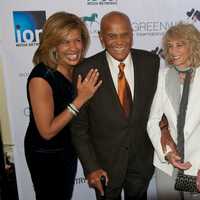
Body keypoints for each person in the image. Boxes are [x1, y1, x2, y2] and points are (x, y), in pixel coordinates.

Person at [71, 11, 160, 200]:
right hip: (104, 167)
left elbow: (160, 109)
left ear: (132, 35)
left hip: (141, 163)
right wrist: (91, 167)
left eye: (125, 34)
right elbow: (79, 128)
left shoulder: (151, 63)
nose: (119, 41)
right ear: (101, 38)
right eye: (112, 35)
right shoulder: (86, 70)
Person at [24, 11, 102, 200]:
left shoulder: (77, 67)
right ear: (53, 44)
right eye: (65, 42)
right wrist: (80, 99)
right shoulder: (41, 78)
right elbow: (47, 131)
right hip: (47, 154)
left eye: (77, 40)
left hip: (68, 147)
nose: (73, 47)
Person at [147, 22, 200, 200]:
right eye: (170, 46)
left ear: (192, 46)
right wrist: (167, 152)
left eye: (179, 45)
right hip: (168, 165)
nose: (173, 51)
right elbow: (152, 120)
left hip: (196, 165)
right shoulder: (163, 76)